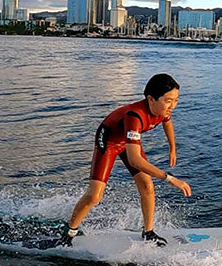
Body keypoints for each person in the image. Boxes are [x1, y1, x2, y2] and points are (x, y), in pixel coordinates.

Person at [61, 73, 192, 247]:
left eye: (176, 100)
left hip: (127, 142)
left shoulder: (163, 109)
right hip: (108, 140)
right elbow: (135, 160)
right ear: (151, 99)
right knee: (94, 195)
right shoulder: (135, 116)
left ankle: (148, 232)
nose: (173, 106)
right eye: (169, 101)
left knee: (147, 185)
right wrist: (170, 178)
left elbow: (167, 122)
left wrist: (172, 148)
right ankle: (70, 232)